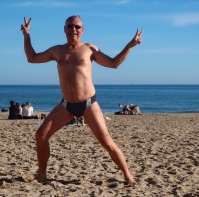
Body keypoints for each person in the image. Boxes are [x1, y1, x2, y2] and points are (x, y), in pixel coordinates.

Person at [21, 15, 142, 184]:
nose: (74, 30)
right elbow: (31, 58)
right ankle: (42, 174)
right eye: (70, 26)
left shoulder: (90, 49)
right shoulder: (57, 51)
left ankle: (128, 175)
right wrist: (26, 36)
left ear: (82, 30)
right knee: (41, 135)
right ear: (64, 29)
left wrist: (130, 45)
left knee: (107, 142)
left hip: (88, 104)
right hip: (66, 105)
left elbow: (114, 63)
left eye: (77, 27)